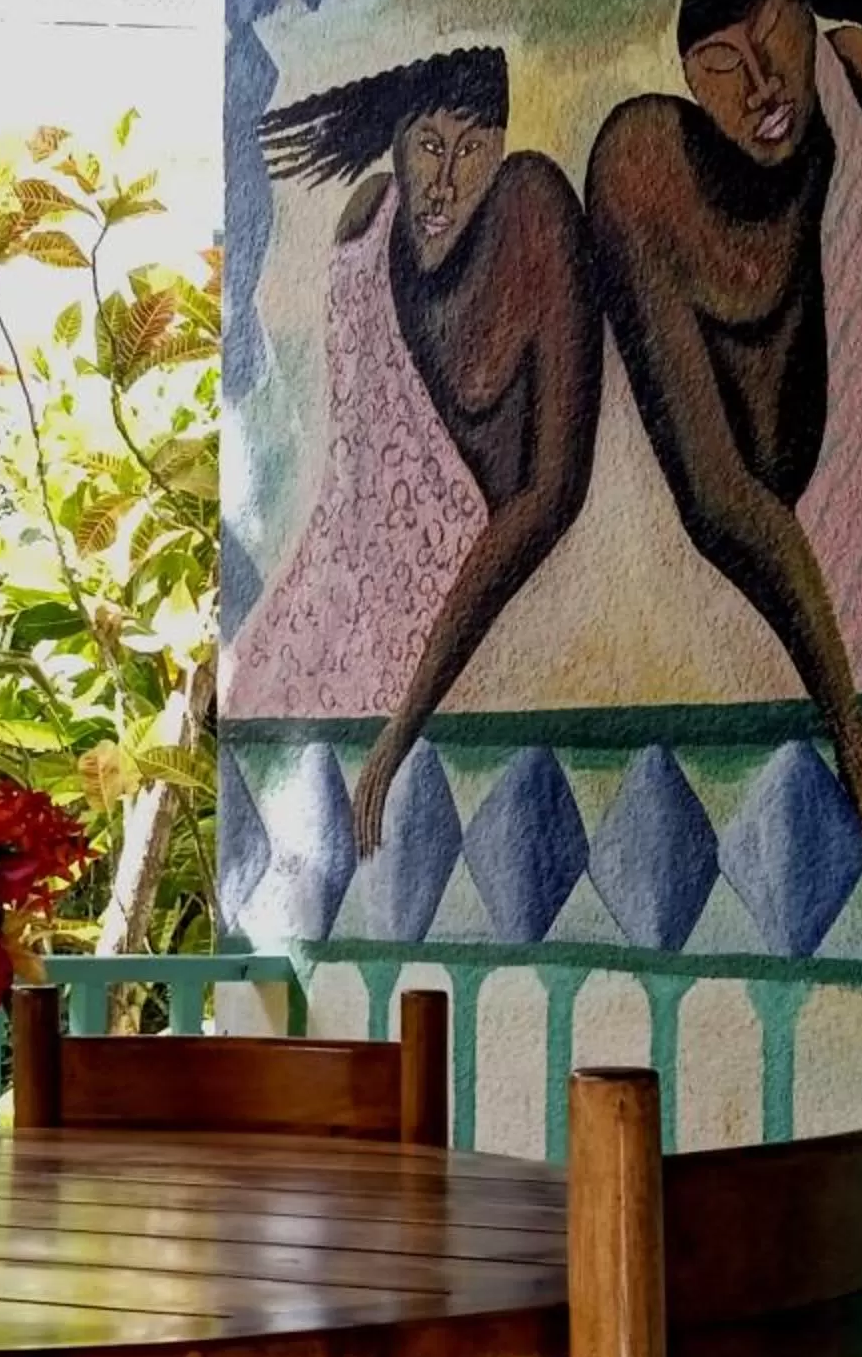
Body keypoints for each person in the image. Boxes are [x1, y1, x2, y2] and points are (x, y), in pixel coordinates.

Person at [584, 0, 862, 854]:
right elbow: (715, 495)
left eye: (771, 40)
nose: (758, 86)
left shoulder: (856, 108)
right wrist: (857, 740)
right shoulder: (645, 165)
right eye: (719, 64)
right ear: (690, 85)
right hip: (742, 511)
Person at [247, 47, 606, 853]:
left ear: (503, 151)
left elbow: (552, 495)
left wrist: (402, 726)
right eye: (431, 145)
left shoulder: (532, 213)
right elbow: (349, 477)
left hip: (444, 647)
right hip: (327, 622)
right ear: (399, 146)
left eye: (473, 148)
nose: (445, 180)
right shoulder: (366, 225)